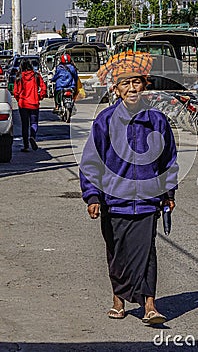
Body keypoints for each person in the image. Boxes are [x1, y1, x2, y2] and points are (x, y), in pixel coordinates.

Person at [80, 51, 178, 325]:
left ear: (145, 85)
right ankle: (118, 299)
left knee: (147, 252)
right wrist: (92, 195)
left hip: (148, 200)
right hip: (114, 200)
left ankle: (149, 305)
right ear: (116, 89)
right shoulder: (105, 121)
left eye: (137, 82)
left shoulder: (157, 121)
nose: (132, 88)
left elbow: (168, 159)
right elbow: (91, 161)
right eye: (126, 83)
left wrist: (169, 192)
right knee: (117, 252)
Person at [13, 58, 47, 152]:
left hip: (23, 104)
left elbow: (15, 92)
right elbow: (44, 88)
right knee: (34, 123)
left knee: (25, 125)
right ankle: (32, 136)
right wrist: (39, 97)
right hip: (34, 103)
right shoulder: (36, 76)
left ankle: (26, 146)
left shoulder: (19, 77)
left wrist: (18, 99)